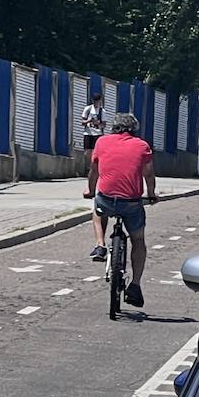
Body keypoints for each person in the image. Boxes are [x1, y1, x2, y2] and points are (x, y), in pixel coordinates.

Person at [84, 112, 157, 308]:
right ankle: (135, 284)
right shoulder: (142, 146)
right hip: (132, 202)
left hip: (107, 198)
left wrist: (90, 190)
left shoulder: (101, 143)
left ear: (113, 127)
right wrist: (151, 194)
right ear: (134, 129)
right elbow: (148, 174)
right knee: (138, 240)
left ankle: (100, 245)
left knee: (98, 211)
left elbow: (94, 171)